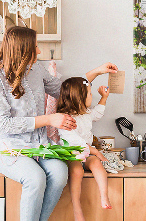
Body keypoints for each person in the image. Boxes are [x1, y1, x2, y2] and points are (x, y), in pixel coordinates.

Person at [0, 26, 118, 221]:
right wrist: (49, 119)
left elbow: (66, 90)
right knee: (35, 179)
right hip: (5, 148)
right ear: (23, 50)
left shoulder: (36, 69)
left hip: (39, 146)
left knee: (60, 174)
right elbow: (2, 124)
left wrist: (97, 71)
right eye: (35, 46)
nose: (39, 51)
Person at [57, 77, 112, 221]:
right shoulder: (65, 118)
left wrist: (104, 98)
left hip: (87, 153)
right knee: (77, 171)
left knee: (97, 164)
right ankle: (77, 208)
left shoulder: (86, 113)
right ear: (78, 98)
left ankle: (104, 196)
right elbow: (74, 142)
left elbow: (98, 114)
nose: (91, 95)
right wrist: (95, 151)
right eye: (89, 93)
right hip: (72, 153)